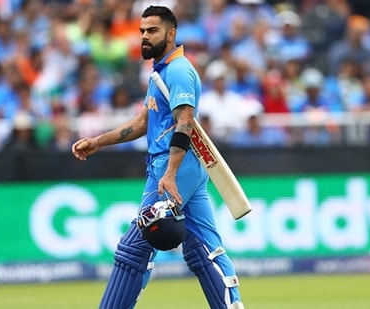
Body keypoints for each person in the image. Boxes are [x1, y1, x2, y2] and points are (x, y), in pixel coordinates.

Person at [71, 6, 244, 309]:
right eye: (142, 31)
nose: (145, 37)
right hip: (172, 166)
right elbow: (142, 123)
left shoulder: (179, 71)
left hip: (172, 167)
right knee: (203, 249)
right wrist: (99, 141)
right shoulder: (160, 73)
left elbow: (186, 123)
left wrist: (171, 174)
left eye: (152, 30)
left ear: (171, 33)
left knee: (135, 247)